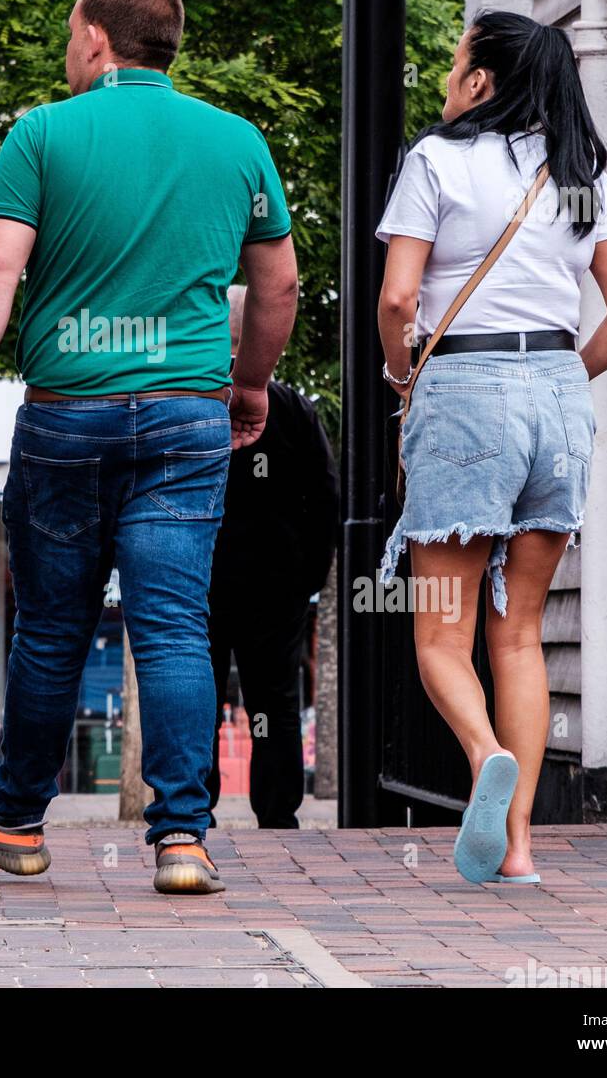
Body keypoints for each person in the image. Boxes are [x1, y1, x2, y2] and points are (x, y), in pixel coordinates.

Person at [0, 0, 299, 894]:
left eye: (71, 34)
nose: (68, 50)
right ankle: (183, 839)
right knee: (175, 625)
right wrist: (249, 384)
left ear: (96, 37)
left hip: (67, 417)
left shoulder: (43, 136)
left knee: (53, 628)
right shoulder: (237, 142)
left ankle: (15, 819)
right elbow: (278, 285)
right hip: (187, 416)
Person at [375, 11, 607, 885]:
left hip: (463, 390)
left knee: (442, 639)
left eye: (458, 62)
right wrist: (567, 374)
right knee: (520, 637)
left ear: (484, 80)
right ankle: (522, 849)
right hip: (559, 399)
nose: (449, 76)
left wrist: (402, 376)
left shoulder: (439, 161)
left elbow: (396, 302)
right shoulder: (581, 177)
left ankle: (485, 751)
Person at [206, 286, 337, 829]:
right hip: (275, 582)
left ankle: (192, 806)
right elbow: (326, 498)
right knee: (275, 699)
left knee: (196, 695)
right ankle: (277, 811)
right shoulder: (293, 411)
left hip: (200, 578)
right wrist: (308, 575)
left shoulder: (196, 404)